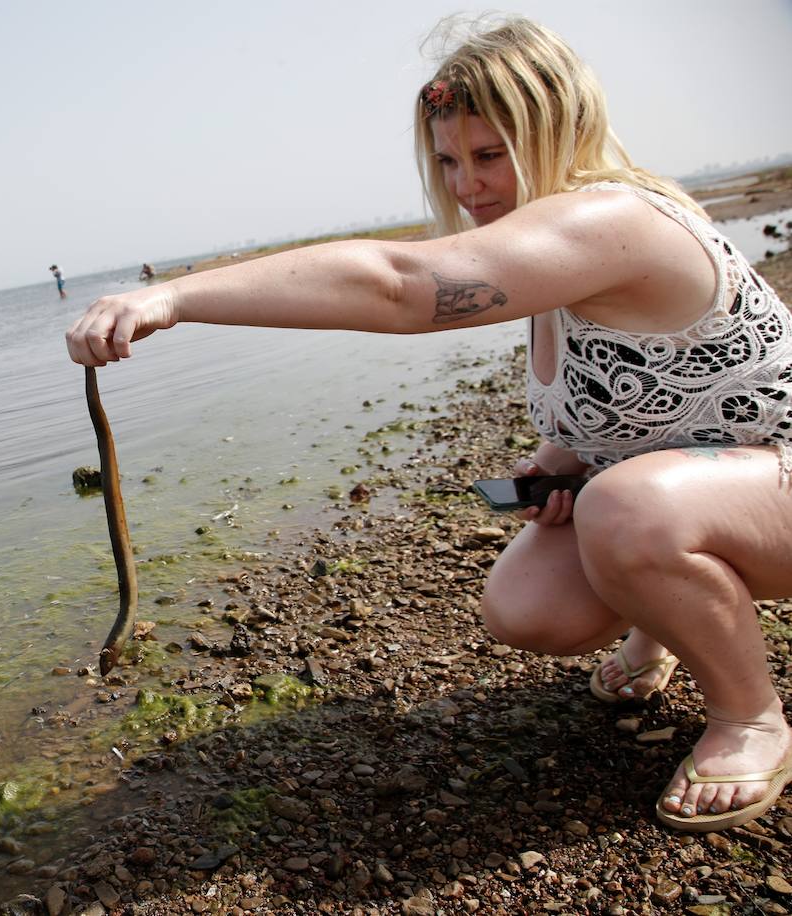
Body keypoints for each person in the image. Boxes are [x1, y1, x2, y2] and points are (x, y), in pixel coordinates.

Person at [65, 16, 792, 833]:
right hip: (720, 484)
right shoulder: (549, 257)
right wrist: (555, 466)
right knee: (529, 607)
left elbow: (400, 286)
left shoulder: (607, 220)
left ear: (563, 130)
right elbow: (626, 405)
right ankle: (665, 625)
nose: (466, 186)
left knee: (625, 510)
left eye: (490, 156)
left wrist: (174, 296)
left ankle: (749, 716)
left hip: (779, 483)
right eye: (448, 161)